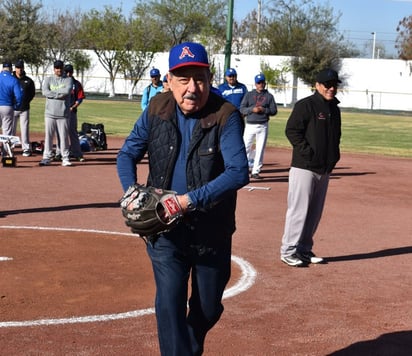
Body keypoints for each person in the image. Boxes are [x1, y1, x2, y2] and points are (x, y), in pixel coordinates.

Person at [117, 41, 249, 355]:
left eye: (199, 78)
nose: (192, 87)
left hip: (210, 229)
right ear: (170, 81)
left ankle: (188, 347)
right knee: (169, 301)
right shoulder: (156, 109)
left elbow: (238, 172)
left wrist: (187, 201)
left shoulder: (225, 116)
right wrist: (131, 189)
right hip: (164, 229)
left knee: (207, 308)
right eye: (183, 79)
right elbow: (127, 154)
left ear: (209, 78)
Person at [280, 68, 342, 267]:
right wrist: (308, 153)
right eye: (327, 84)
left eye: (334, 85)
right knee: (298, 211)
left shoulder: (335, 109)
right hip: (304, 167)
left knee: (314, 213)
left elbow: (336, 137)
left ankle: (304, 249)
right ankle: (288, 250)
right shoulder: (306, 105)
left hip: (324, 169)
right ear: (317, 85)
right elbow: (292, 131)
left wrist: (334, 157)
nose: (331, 88)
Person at [240, 73, 277, 179]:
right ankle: (243, 168)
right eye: (258, 83)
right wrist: (252, 109)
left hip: (263, 125)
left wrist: (264, 110)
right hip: (250, 125)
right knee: (245, 147)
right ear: (255, 84)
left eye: (262, 82)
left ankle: (256, 171)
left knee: (260, 149)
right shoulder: (249, 95)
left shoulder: (269, 96)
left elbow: (274, 111)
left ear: (265, 83)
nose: (260, 84)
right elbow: (242, 108)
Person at [39, 60, 73, 167]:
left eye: (60, 68)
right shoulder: (49, 79)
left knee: (63, 137)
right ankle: (46, 157)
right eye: (56, 68)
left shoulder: (68, 80)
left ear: (63, 68)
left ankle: (65, 157)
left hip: (63, 114)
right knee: (48, 136)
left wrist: (52, 94)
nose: (58, 70)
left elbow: (66, 92)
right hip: (49, 113)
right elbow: (45, 92)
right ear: (54, 69)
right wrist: (58, 94)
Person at [59, 63, 86, 162]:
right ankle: (59, 153)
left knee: (73, 132)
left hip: (71, 111)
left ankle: (77, 153)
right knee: (60, 133)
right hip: (60, 111)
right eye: (67, 72)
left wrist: (74, 106)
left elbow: (80, 98)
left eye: (70, 72)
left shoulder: (76, 84)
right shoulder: (61, 82)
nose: (68, 74)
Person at [12, 60, 36, 157]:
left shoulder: (28, 81)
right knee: (11, 129)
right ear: (15, 68)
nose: (19, 69)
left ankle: (26, 148)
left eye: (21, 67)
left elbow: (32, 94)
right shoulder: (11, 79)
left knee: (24, 129)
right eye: (18, 67)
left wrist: (26, 102)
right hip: (13, 108)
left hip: (24, 108)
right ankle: (10, 147)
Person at [0, 60, 22, 155]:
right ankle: (5, 153)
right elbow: (19, 96)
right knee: (7, 131)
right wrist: (16, 106)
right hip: (7, 106)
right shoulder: (13, 80)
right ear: (10, 69)